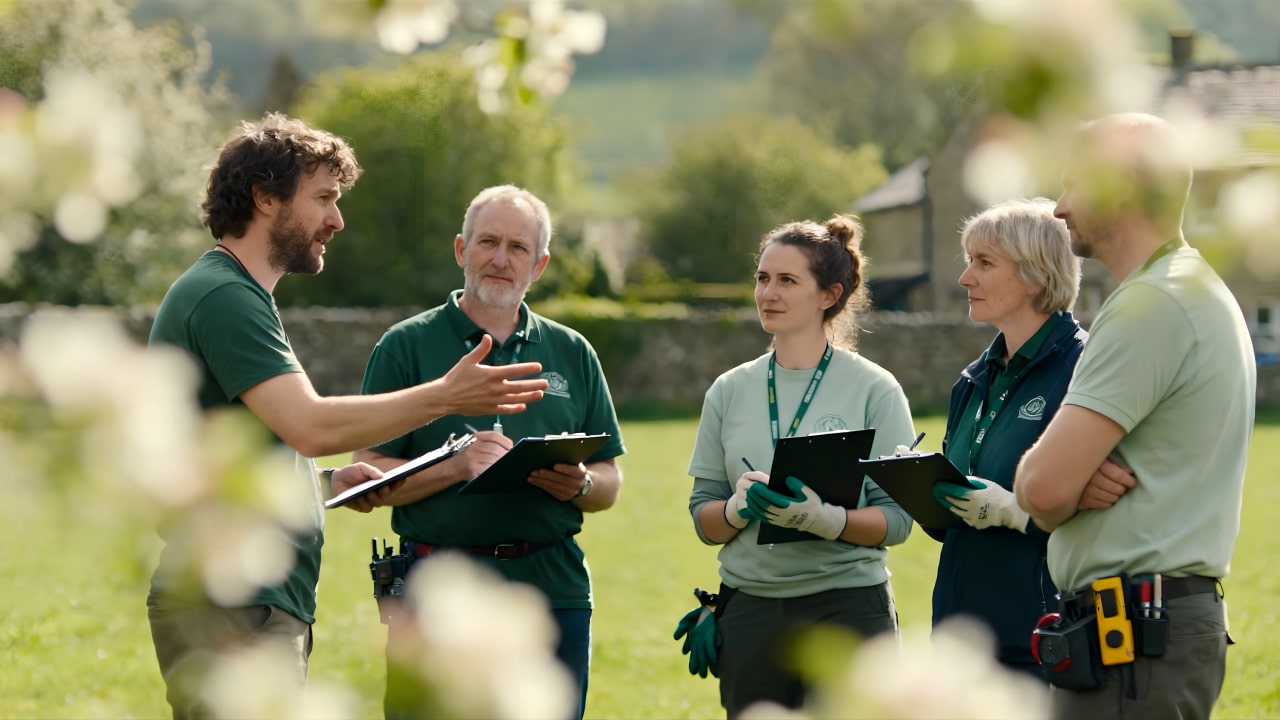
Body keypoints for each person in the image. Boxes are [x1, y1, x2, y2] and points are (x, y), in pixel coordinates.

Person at [146, 115, 548, 719]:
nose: (336, 220)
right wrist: (445, 394)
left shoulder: (236, 294)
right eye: (325, 199)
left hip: (251, 598)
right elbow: (308, 424)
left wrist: (324, 484)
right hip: (231, 601)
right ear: (264, 196)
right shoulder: (224, 296)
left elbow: (235, 455)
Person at [348, 184, 625, 720]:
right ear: (461, 250)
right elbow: (368, 473)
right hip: (438, 586)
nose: (501, 259)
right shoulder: (406, 345)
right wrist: (454, 466)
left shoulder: (573, 352)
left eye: (518, 248)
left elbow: (609, 478)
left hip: (553, 589)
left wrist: (583, 485)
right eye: (488, 242)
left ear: (539, 265)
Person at [1015, 113, 1255, 718]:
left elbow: (1041, 488)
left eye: (1073, 184)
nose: (1060, 208)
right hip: (1147, 634)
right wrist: (1074, 475)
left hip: (1132, 643)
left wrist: (1062, 481)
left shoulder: (1150, 303)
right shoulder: (1187, 287)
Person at [683, 215, 916, 718]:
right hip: (750, 612)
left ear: (828, 295)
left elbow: (897, 522)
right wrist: (739, 508)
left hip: (848, 608)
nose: (768, 292)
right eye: (763, 278)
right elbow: (704, 517)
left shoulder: (875, 389)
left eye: (787, 281)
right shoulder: (729, 390)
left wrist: (825, 520)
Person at [921, 198, 1087, 680]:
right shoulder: (972, 379)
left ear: (1037, 274)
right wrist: (920, 488)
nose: (965, 278)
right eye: (968, 260)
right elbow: (947, 527)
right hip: (959, 640)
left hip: (1042, 642)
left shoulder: (1086, 371)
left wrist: (1013, 511)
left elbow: (1104, 512)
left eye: (984, 262)